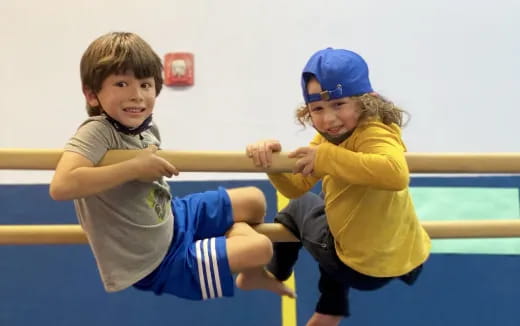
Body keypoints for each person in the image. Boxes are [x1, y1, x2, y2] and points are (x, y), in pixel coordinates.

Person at [49, 31, 294, 301]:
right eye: (121, 84)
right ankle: (232, 255)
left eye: (145, 85)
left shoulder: (148, 128)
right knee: (260, 248)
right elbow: (62, 186)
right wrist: (133, 167)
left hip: (172, 218)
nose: (136, 95)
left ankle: (247, 270)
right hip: (159, 262)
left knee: (254, 200)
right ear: (92, 94)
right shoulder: (97, 131)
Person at [246, 48, 431, 326]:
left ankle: (273, 272)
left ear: (364, 101)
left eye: (339, 104)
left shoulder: (374, 131)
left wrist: (326, 158)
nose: (329, 119)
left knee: (301, 208)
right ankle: (330, 309)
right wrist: (274, 164)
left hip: (362, 266)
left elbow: (395, 173)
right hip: (398, 257)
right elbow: (297, 184)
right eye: (317, 109)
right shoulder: (330, 138)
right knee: (328, 203)